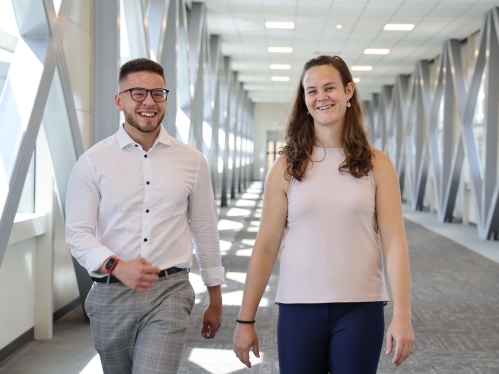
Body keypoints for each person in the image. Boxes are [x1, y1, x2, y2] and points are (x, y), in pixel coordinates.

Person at [232, 55, 414, 373]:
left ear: (348, 91)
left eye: (329, 88)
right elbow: (265, 246)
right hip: (298, 308)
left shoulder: (377, 164)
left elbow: (395, 242)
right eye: (311, 91)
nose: (321, 97)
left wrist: (402, 314)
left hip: (361, 306)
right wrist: (245, 319)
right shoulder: (286, 166)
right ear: (304, 100)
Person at [65, 58, 224, 374]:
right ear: (119, 100)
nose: (149, 102)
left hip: (171, 291)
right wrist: (117, 266)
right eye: (137, 93)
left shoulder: (192, 162)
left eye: (157, 93)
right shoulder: (92, 163)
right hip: (111, 295)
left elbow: (204, 227)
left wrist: (215, 296)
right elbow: (78, 233)